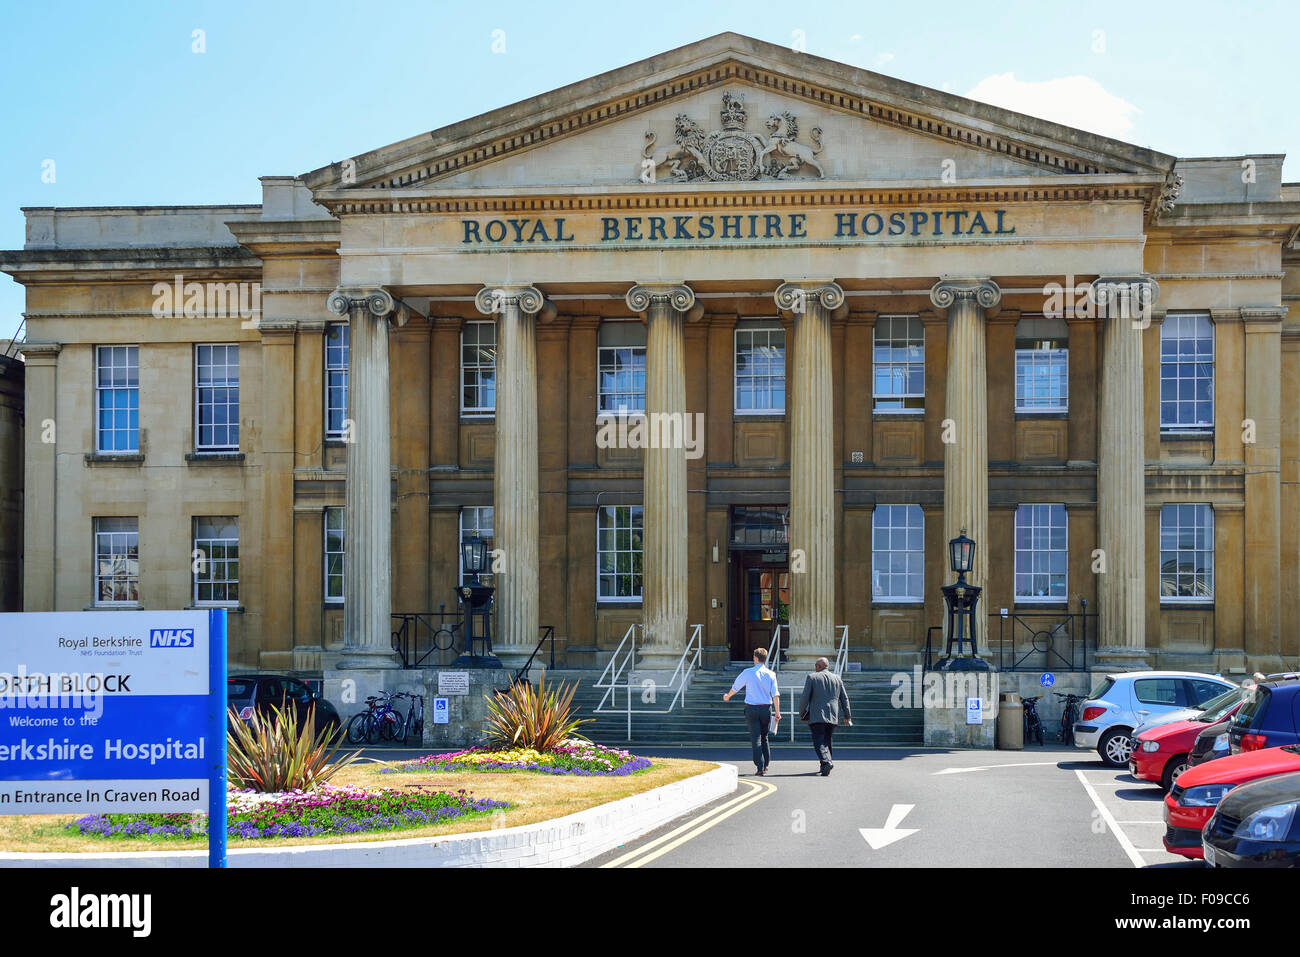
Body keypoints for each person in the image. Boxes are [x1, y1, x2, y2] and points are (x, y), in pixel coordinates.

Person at [722, 647, 781, 776]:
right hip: (766, 708)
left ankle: (759, 766)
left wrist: (728, 696)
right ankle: (766, 765)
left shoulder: (748, 672)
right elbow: (775, 695)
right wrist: (777, 712)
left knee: (756, 738)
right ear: (765, 659)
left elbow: (736, 687)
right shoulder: (771, 674)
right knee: (764, 737)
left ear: (755, 658)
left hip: (752, 708)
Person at [798, 657, 852, 776]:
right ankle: (825, 766)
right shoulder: (837, 678)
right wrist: (847, 715)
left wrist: (802, 713)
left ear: (818, 666)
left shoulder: (812, 677)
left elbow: (804, 698)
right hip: (833, 714)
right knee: (827, 740)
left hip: (817, 715)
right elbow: (844, 698)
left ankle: (826, 762)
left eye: (815, 666)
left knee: (819, 740)